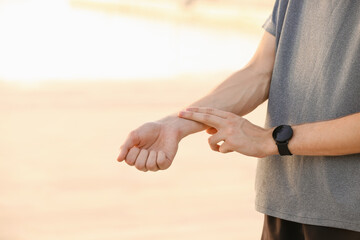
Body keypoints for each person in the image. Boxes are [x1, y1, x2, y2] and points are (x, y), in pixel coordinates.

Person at [117, 0, 360, 239]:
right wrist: (175, 124)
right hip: (284, 203)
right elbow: (260, 72)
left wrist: (269, 140)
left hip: (350, 216)